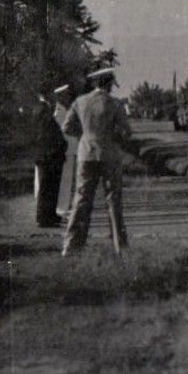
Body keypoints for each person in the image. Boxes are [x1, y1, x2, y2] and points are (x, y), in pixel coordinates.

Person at [61, 67, 132, 255]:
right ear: (109, 84)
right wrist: (112, 138)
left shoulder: (80, 102)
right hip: (109, 155)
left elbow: (66, 127)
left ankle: (71, 246)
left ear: (94, 83)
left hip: (86, 154)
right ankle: (120, 247)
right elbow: (126, 132)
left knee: (81, 199)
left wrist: (84, 136)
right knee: (113, 200)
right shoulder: (115, 104)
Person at [32, 85, 70, 227]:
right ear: (45, 94)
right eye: (50, 93)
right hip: (49, 154)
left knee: (51, 186)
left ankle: (50, 214)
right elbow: (48, 133)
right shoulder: (43, 110)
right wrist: (61, 144)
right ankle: (43, 217)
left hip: (48, 154)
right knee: (46, 187)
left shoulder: (41, 109)